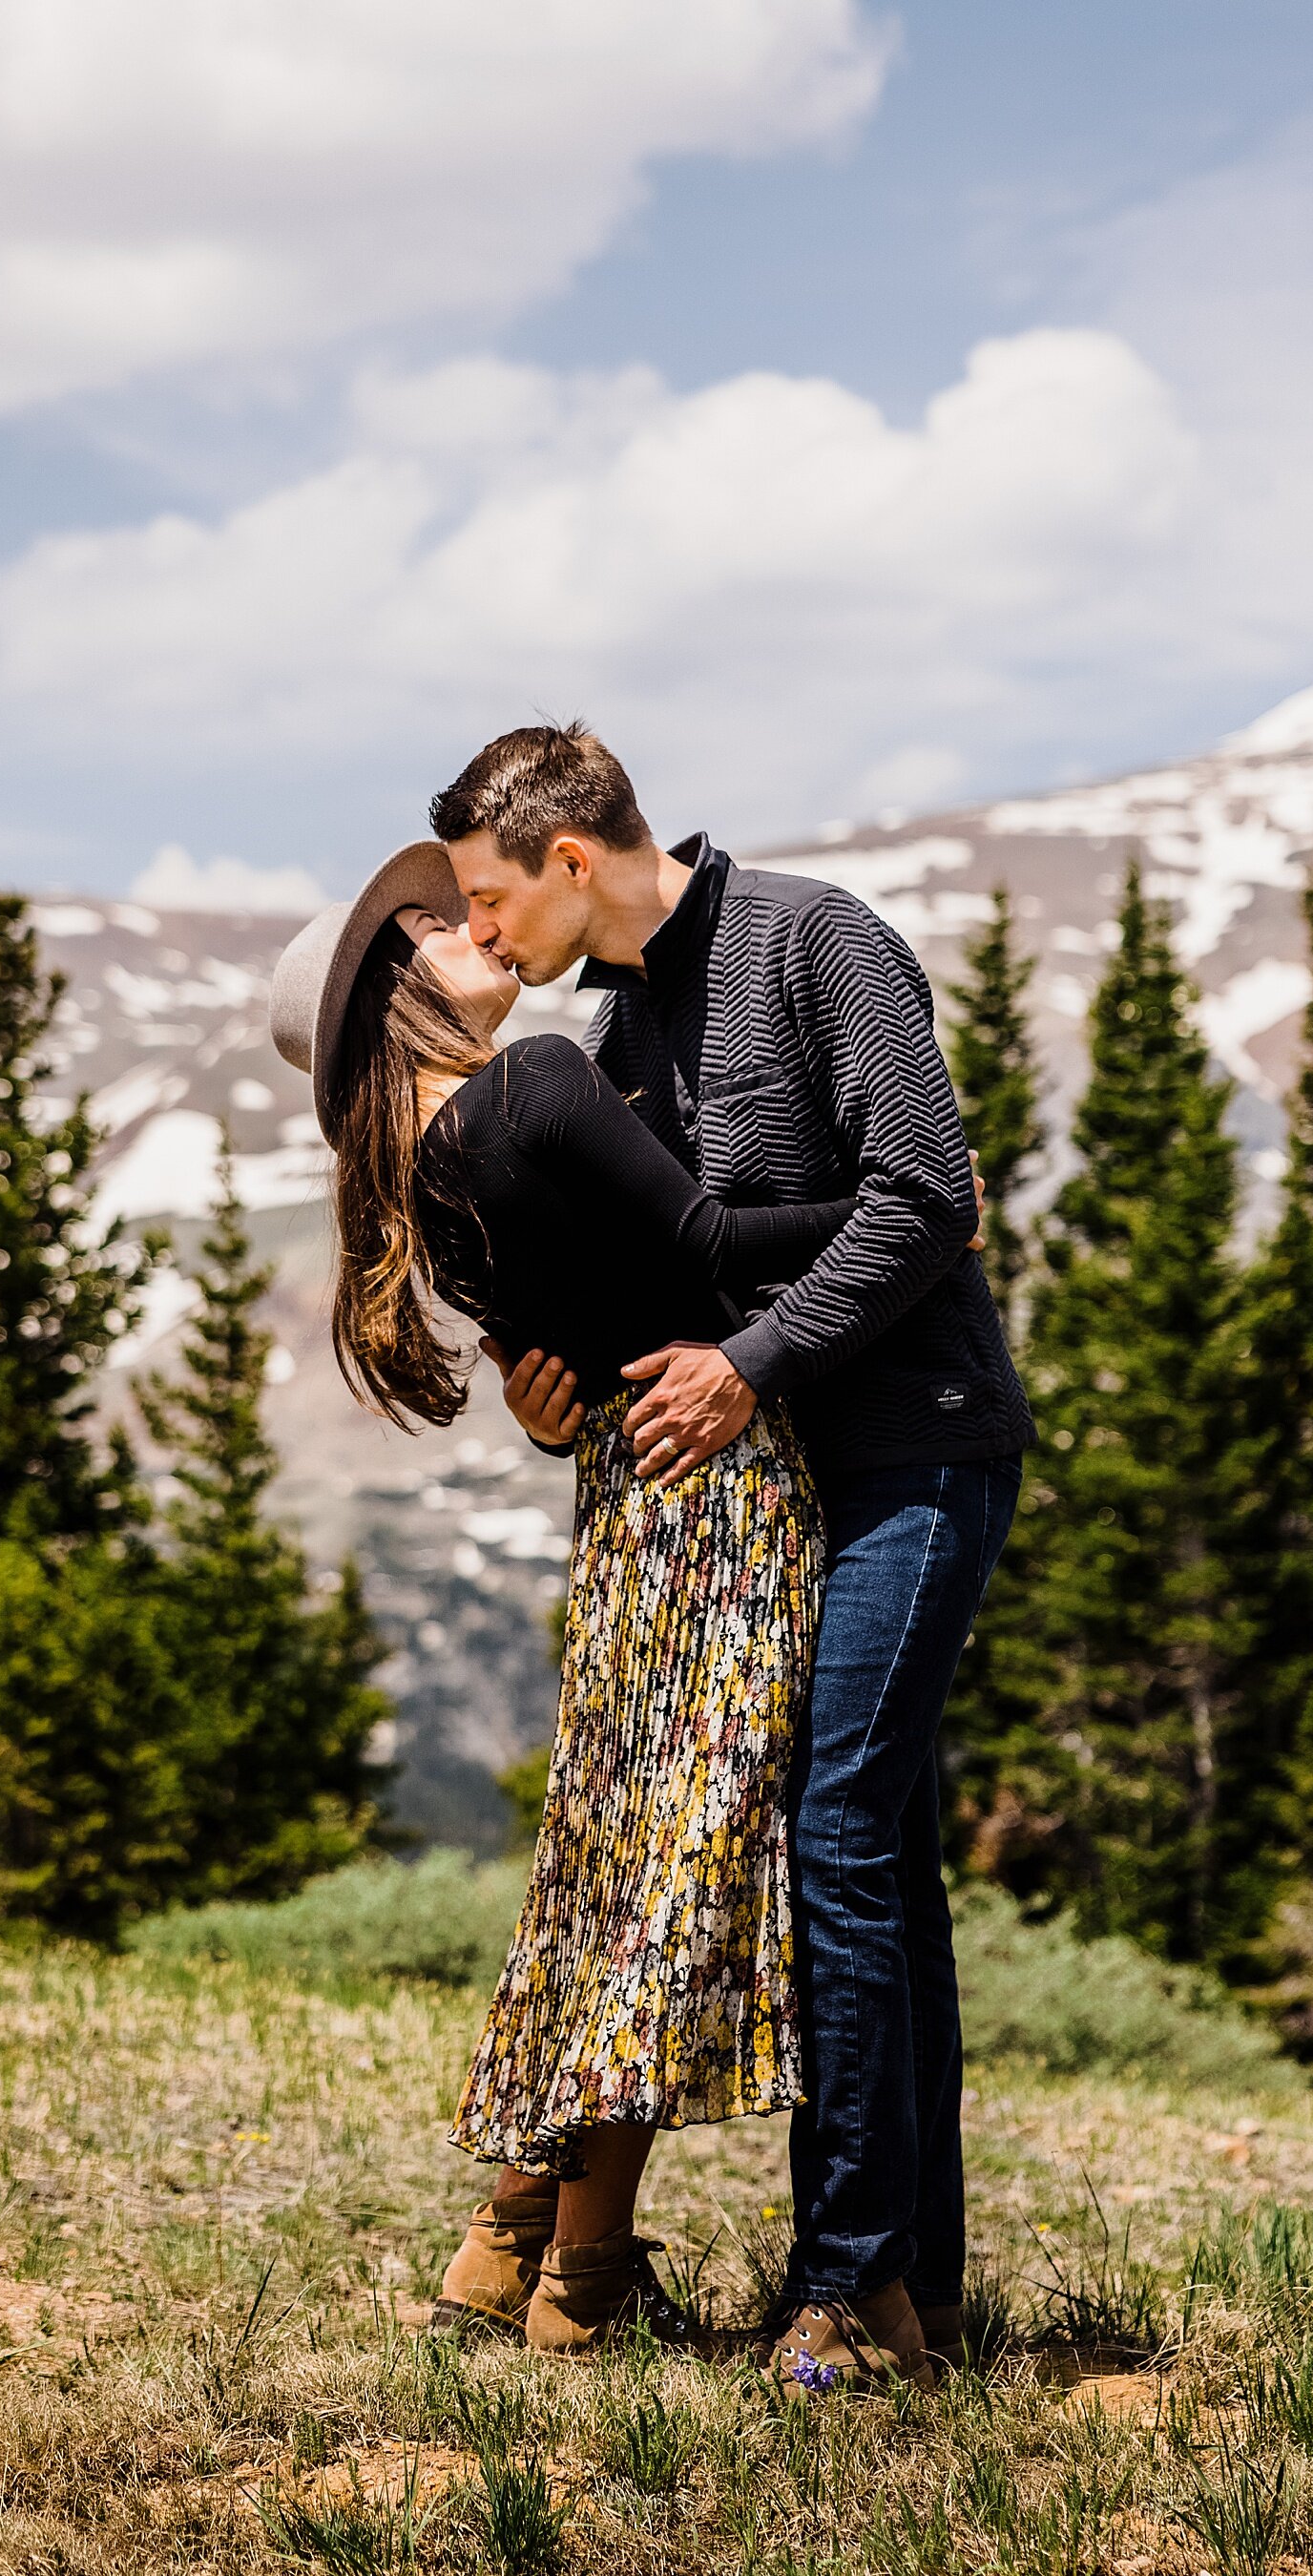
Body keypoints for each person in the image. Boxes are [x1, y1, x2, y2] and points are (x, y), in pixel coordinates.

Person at [428, 723, 1036, 2397]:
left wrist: (753, 1364)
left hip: (916, 1449)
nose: (484, 938)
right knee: (881, 1869)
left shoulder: (818, 941)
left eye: (491, 901)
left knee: (835, 1829)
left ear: (570, 859)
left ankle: (844, 2287)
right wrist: (547, 1385)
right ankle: (918, 2276)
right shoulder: (618, 1029)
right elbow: (669, 1280)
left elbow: (926, 1198)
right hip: (771, 1492)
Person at [267, 840, 860, 2360]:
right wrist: (911, 1211)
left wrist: (561, 1408)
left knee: (610, 1868)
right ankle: (583, 2281)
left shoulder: (420, 1190)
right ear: (402, 995)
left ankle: (510, 2239)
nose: (477, 928)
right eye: (436, 928)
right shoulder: (528, 1088)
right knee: (673, 1877)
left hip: (622, 1516)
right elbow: (710, 1249)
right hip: (721, 1493)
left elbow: (573, 1354)